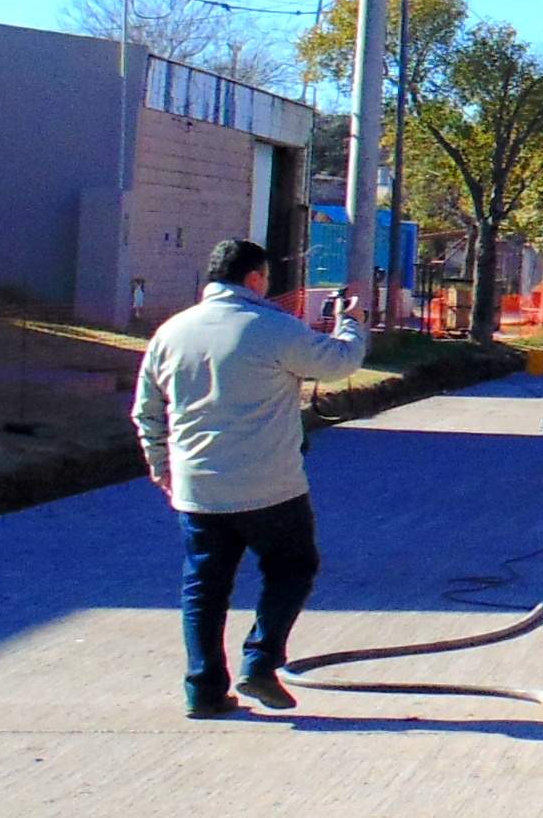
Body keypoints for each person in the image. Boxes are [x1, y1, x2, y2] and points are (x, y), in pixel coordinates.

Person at [132, 238, 368, 717]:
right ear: (255, 279)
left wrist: (164, 470)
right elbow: (341, 362)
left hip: (198, 487)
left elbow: (147, 412)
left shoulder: (170, 333)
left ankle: (203, 689)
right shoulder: (274, 329)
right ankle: (259, 662)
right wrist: (352, 322)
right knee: (292, 567)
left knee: (204, 586)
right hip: (270, 487)